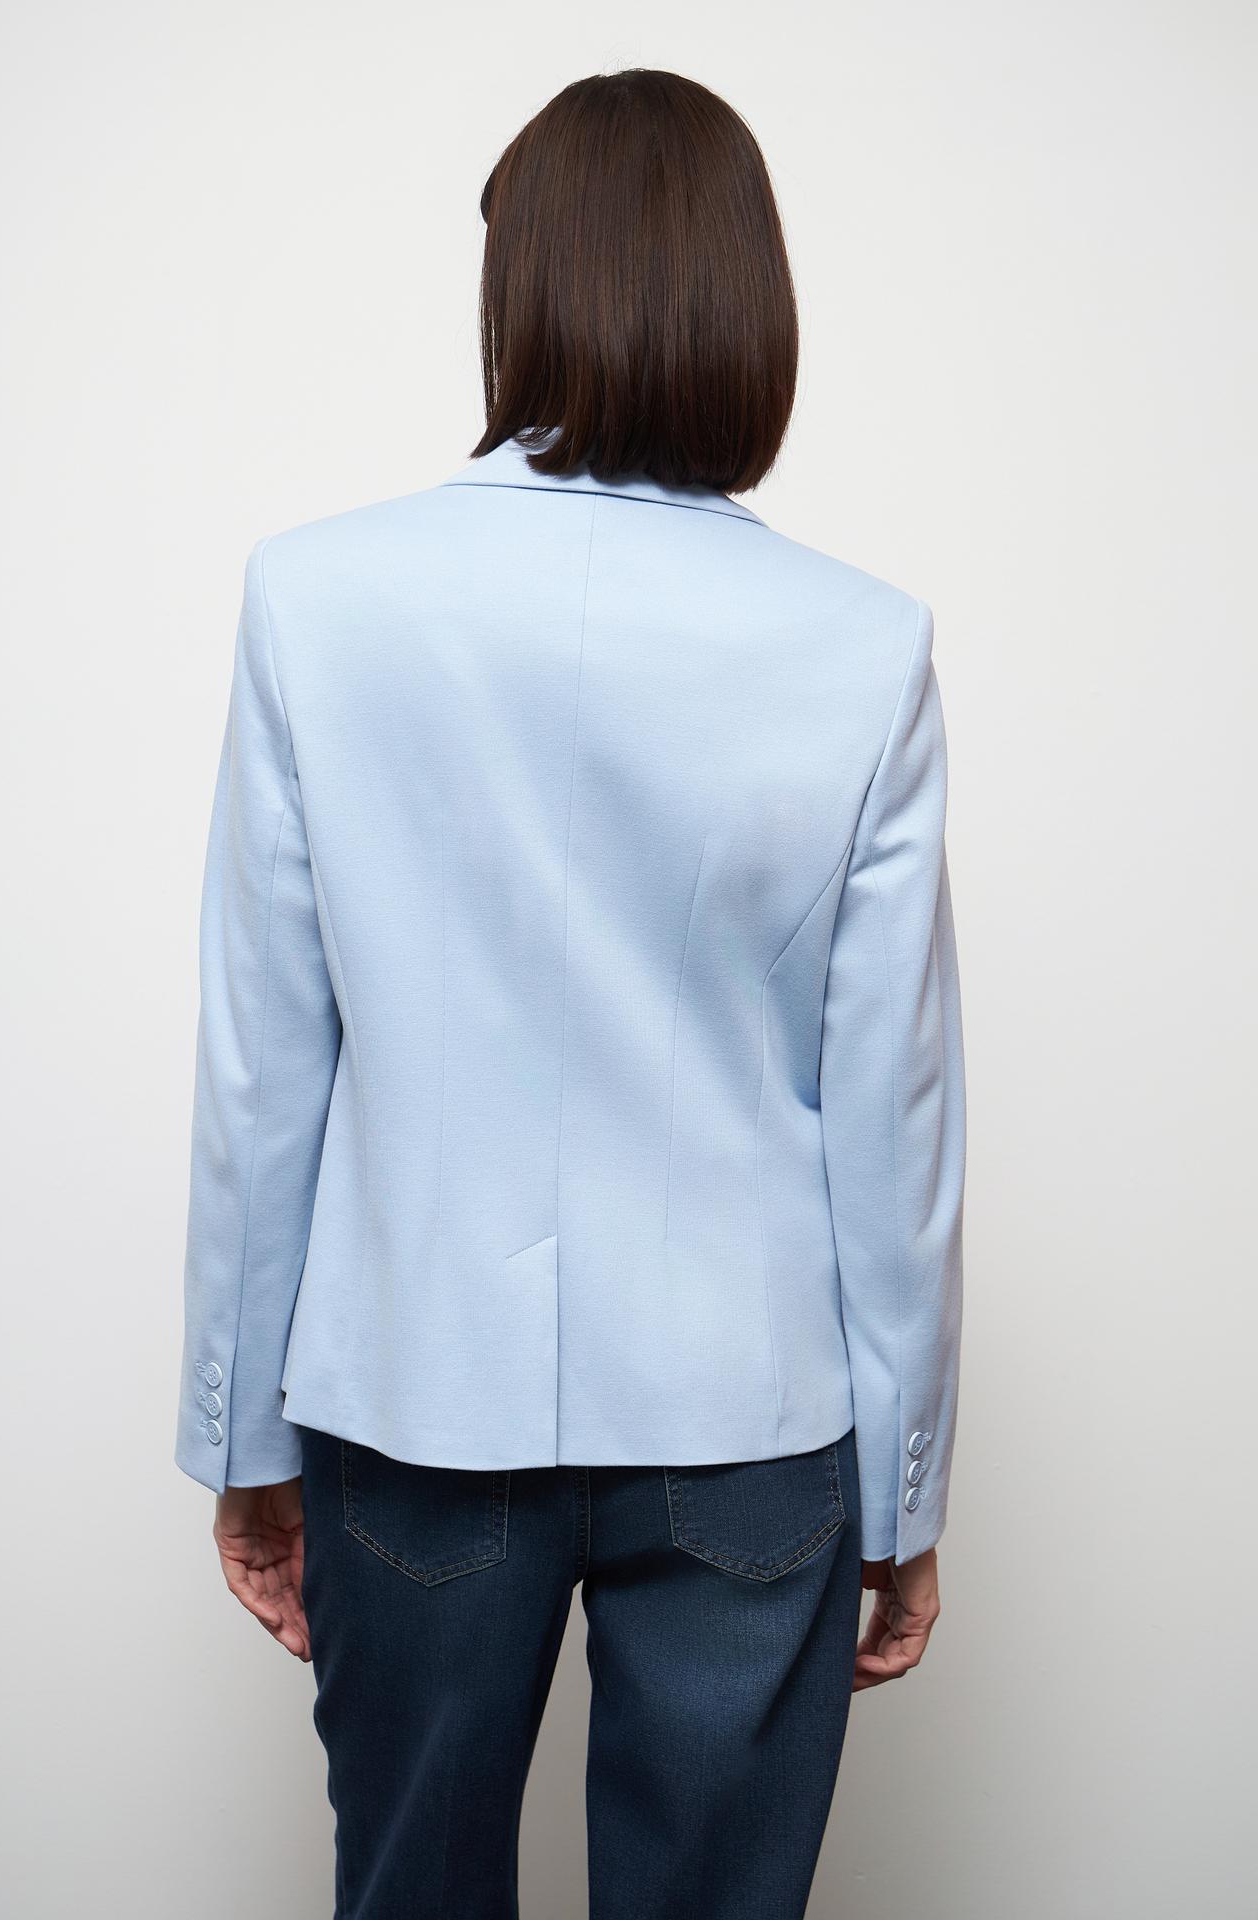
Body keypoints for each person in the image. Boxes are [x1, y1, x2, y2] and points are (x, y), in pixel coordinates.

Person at [176, 67, 966, 1920]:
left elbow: (265, 1068)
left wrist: (242, 1438)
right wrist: (907, 1486)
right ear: (749, 299)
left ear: (513, 288)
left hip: (409, 1402)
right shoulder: (864, 648)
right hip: (752, 1423)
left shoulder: (319, 599)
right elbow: (894, 1112)